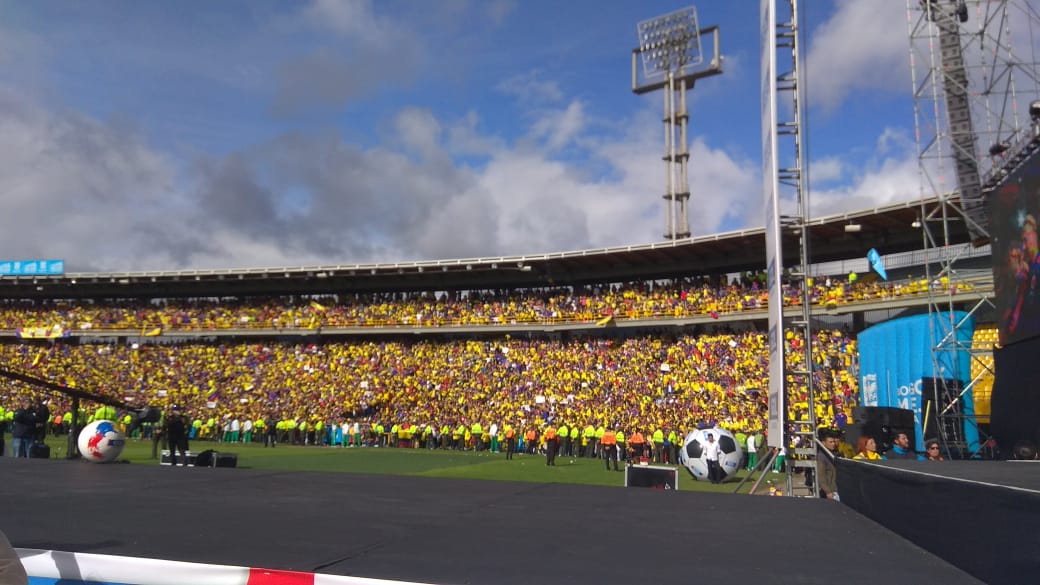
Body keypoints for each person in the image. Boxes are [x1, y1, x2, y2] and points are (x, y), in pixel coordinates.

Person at [816, 428, 841, 500]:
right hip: (830, 492)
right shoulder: (821, 457)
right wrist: (828, 492)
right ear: (823, 443)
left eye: (834, 442)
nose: (833, 444)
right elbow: (821, 476)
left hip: (837, 490)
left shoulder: (834, 454)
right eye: (830, 442)